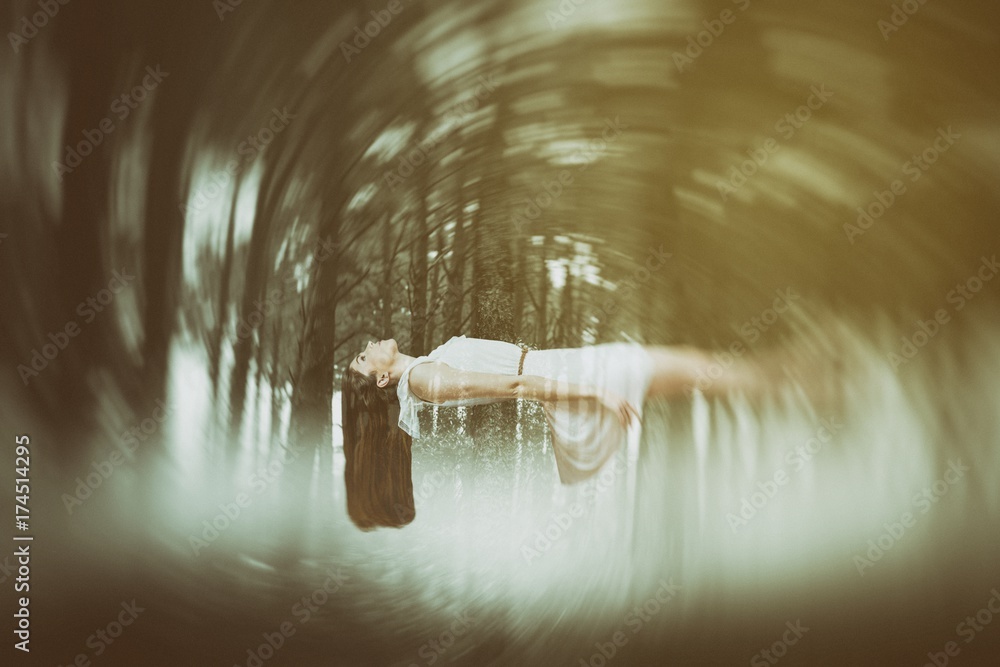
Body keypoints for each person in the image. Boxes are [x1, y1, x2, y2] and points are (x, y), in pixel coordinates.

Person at [340, 335, 760, 530]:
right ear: (380, 381)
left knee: (690, 367)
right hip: (565, 377)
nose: (369, 343)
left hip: (560, 367)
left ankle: (772, 381)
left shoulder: (424, 368)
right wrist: (599, 393)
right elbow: (519, 386)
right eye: (363, 356)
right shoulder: (425, 381)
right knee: (689, 366)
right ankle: (778, 380)